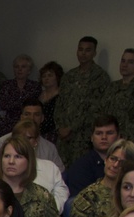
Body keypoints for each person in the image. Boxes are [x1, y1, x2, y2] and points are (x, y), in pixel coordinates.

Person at [0, 119, 69, 212]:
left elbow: (62, 193)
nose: (23, 141)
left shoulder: (50, 167)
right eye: (19, 137)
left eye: (28, 138)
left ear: (36, 141)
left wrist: (46, 211)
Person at [55, 36, 111, 168]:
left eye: (88, 50)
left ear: (94, 53)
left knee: (79, 173)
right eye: (80, 50)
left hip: (82, 138)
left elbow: (97, 109)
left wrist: (71, 128)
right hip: (63, 138)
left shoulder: (100, 77)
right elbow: (60, 103)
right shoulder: (69, 76)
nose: (83, 53)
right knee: (60, 173)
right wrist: (60, 127)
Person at [70, 139, 134, 217]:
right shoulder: (88, 197)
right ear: (106, 160)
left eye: (122, 162)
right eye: (113, 159)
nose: (115, 165)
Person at [0, 100, 64, 170]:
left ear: (42, 118)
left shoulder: (49, 148)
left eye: (36, 114)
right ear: (22, 117)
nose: (31, 118)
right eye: (27, 114)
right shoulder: (2, 142)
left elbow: (59, 174)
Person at [101, 49, 134, 142]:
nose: (124, 65)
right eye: (123, 61)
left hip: (126, 141)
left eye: (130, 62)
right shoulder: (113, 86)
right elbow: (102, 110)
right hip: (106, 138)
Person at [65, 116, 121, 196]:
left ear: (118, 137)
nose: (104, 137)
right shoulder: (81, 167)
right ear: (91, 138)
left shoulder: (127, 164)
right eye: (99, 133)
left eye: (109, 133)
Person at [0, 55, 41, 138]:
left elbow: (33, 105)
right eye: (17, 67)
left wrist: (15, 104)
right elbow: (3, 104)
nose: (19, 69)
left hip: (27, 126)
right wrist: (22, 103)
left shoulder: (35, 86)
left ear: (29, 70)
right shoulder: (6, 85)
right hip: (7, 127)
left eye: (23, 67)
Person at [38, 62, 63, 143]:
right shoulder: (38, 95)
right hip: (38, 132)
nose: (46, 78)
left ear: (57, 77)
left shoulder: (62, 95)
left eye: (50, 75)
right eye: (44, 76)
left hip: (55, 134)